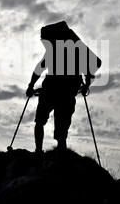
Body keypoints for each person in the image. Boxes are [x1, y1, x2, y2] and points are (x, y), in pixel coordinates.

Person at [26, 21, 99, 156]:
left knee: (40, 121)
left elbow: (39, 69)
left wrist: (31, 86)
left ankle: (38, 151)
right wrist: (86, 86)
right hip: (67, 93)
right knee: (62, 126)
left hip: (50, 90)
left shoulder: (53, 51)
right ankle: (61, 153)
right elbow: (89, 72)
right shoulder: (76, 52)